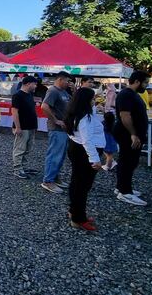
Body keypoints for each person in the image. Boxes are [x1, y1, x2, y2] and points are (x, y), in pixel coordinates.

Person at [65, 87, 105, 231]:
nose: (94, 101)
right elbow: (87, 140)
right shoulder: (84, 118)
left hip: (76, 147)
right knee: (82, 185)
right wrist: (95, 159)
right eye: (92, 99)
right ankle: (78, 218)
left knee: (77, 181)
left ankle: (74, 211)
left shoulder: (77, 113)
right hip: (84, 151)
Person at [113, 70, 150, 206]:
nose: (146, 86)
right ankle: (125, 192)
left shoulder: (132, 94)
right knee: (128, 161)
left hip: (130, 133)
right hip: (127, 134)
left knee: (128, 161)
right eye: (145, 82)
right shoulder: (126, 95)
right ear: (137, 81)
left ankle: (122, 187)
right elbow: (125, 115)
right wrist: (133, 134)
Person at [40, 71, 72, 194]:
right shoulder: (53, 91)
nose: (69, 83)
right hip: (56, 128)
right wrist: (56, 120)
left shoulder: (63, 92)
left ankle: (55, 178)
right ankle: (48, 181)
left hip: (64, 129)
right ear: (60, 79)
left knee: (61, 155)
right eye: (67, 81)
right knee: (54, 155)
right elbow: (44, 106)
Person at [12, 76, 39, 179]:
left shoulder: (30, 94)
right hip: (22, 127)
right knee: (20, 148)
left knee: (27, 148)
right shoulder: (17, 95)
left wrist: (34, 126)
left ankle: (23, 167)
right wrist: (18, 127)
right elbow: (15, 112)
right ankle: (17, 169)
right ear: (28, 83)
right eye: (34, 84)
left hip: (30, 126)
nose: (36, 86)